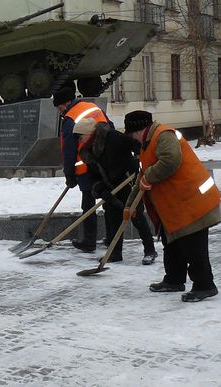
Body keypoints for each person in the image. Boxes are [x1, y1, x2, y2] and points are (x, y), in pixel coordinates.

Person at [123, 110, 221, 302]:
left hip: (193, 202)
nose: (132, 138)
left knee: (194, 245)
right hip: (176, 205)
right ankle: (174, 280)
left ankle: (205, 285)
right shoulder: (146, 144)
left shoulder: (164, 135)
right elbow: (141, 178)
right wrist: (130, 205)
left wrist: (150, 176)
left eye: (133, 133)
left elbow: (171, 160)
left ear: (140, 129)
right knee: (172, 243)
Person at [74, 118, 157, 264]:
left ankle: (150, 250)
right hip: (109, 187)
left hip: (128, 182)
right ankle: (115, 252)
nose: (80, 142)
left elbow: (136, 146)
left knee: (135, 215)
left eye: (81, 137)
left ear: (90, 133)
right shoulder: (87, 151)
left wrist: (139, 163)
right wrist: (100, 188)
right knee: (112, 219)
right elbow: (92, 174)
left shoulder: (112, 137)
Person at [53, 83, 109, 253]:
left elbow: (69, 150)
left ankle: (89, 241)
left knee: (88, 204)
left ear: (65, 103)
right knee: (109, 202)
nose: (58, 111)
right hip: (105, 164)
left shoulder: (70, 119)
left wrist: (69, 175)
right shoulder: (92, 107)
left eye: (58, 107)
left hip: (86, 168)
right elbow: (110, 128)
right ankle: (112, 237)